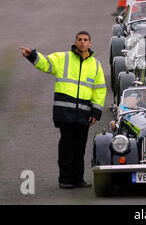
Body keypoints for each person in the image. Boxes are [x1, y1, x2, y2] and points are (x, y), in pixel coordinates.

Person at [19, 31, 106, 189]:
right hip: (65, 113)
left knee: (80, 148)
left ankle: (78, 179)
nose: (82, 42)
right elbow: (46, 63)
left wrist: (95, 112)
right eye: (79, 39)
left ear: (90, 43)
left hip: (84, 113)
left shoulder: (95, 64)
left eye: (85, 40)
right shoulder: (63, 58)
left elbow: (99, 90)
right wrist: (32, 55)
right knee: (66, 146)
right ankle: (65, 179)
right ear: (75, 41)